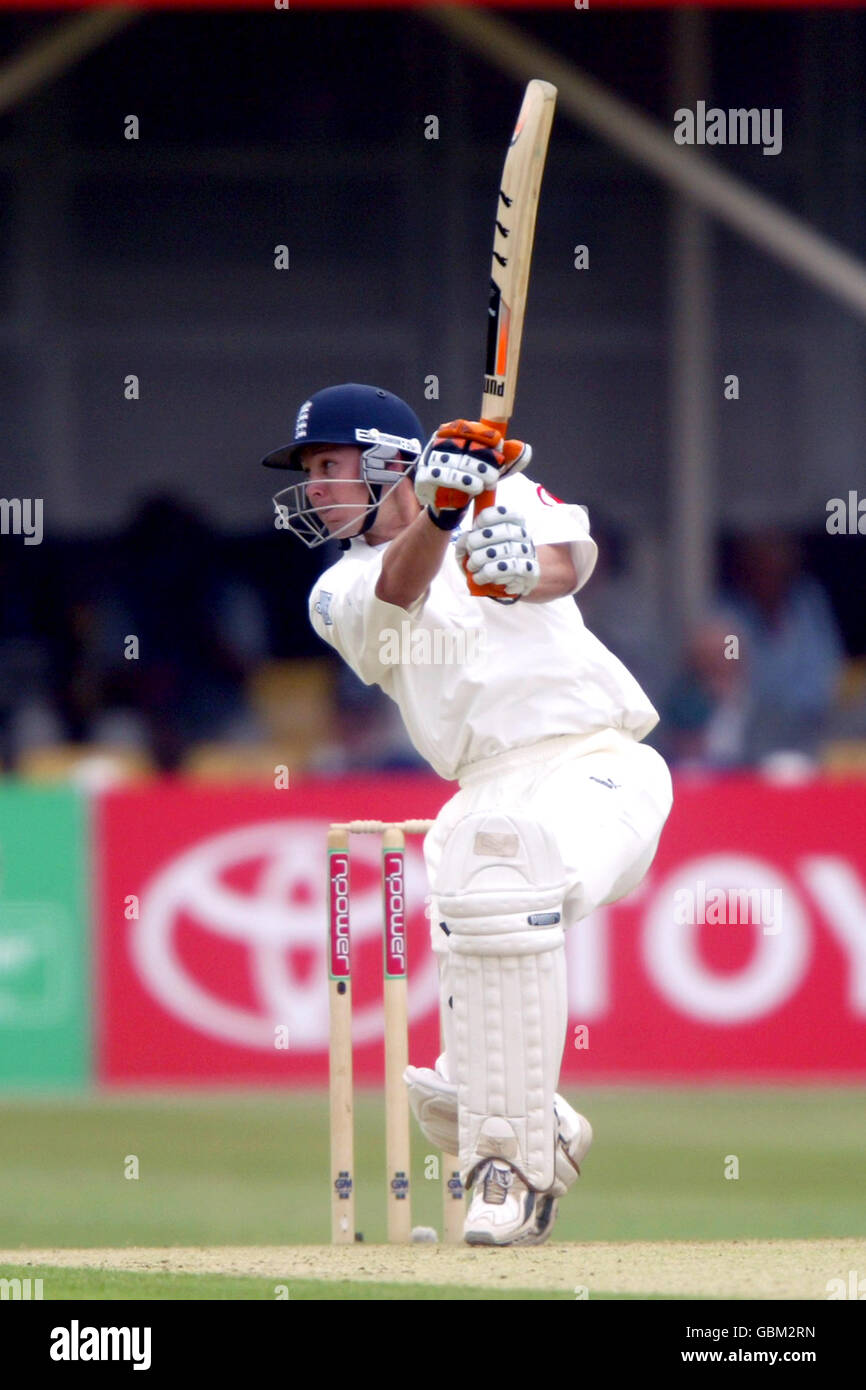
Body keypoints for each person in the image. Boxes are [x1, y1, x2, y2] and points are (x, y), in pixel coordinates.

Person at [262, 382, 673, 1246]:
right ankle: (532, 1123)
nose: (317, 488)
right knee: (447, 1089)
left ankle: (509, 1173)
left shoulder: (498, 484)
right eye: (311, 471)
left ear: (385, 463)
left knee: (503, 874)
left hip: (596, 761)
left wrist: (518, 566)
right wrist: (441, 517)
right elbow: (399, 594)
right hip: (480, 791)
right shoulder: (337, 591)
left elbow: (568, 566)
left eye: (330, 466)